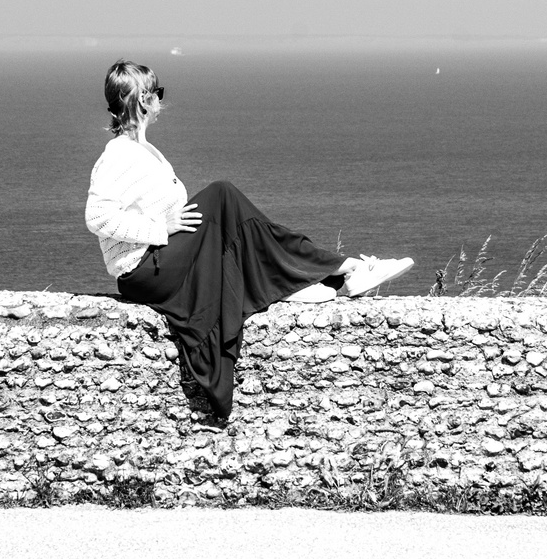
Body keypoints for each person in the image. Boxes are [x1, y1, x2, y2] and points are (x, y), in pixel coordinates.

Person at [85, 60, 413, 419]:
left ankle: (313, 278)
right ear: (144, 99)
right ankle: (339, 270)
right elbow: (97, 217)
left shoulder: (146, 152)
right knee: (222, 197)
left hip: (160, 263)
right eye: (158, 94)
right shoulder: (119, 154)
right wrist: (160, 227)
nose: (161, 102)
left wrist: (166, 226)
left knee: (231, 220)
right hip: (144, 272)